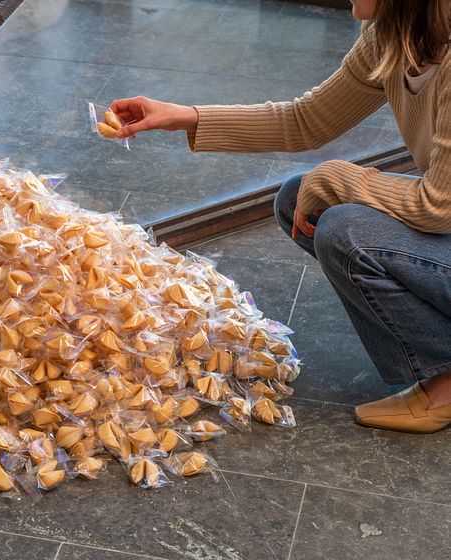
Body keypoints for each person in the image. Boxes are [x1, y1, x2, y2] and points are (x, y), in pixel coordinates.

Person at [110, 0, 451, 434]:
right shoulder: (392, 37)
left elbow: (441, 205)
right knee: (299, 199)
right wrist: (186, 117)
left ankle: (446, 378)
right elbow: (305, 120)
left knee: (347, 232)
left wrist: (336, 176)